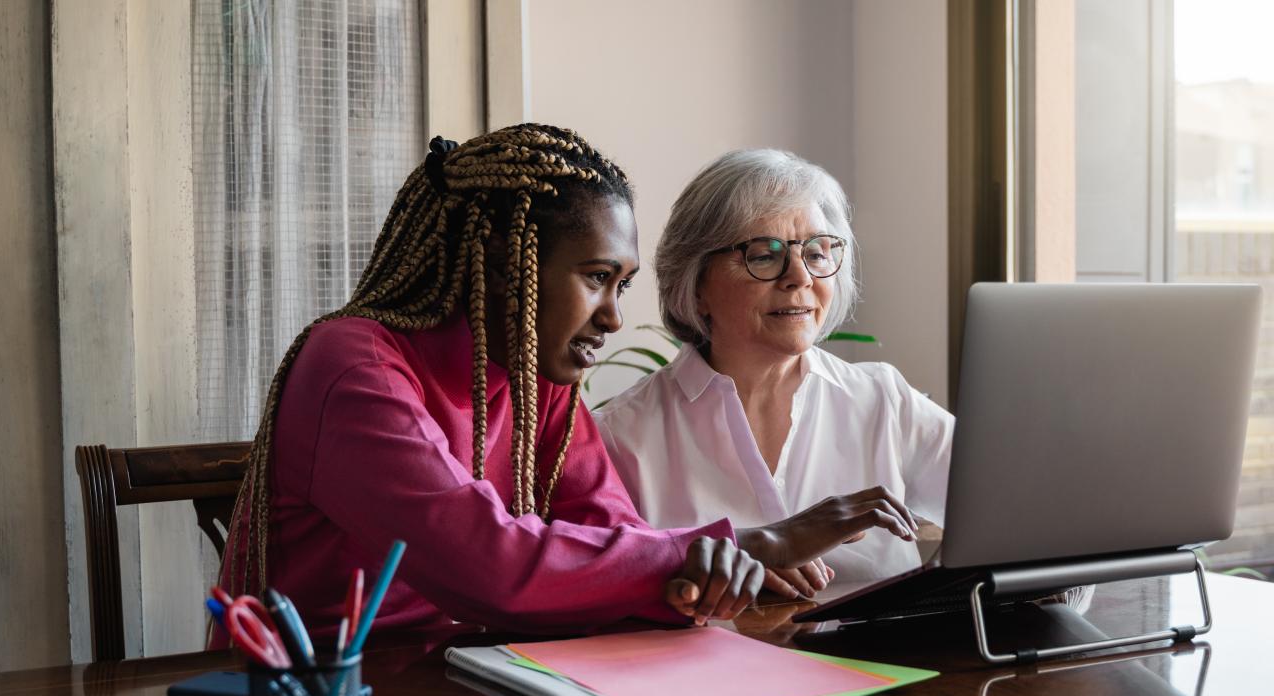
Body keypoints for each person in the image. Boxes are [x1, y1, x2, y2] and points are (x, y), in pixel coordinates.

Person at [217, 126, 913, 639]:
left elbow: (618, 534)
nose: (614, 316)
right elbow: (489, 566)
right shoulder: (350, 367)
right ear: (499, 265)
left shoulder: (537, 381)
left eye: (623, 285)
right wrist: (746, 546)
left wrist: (705, 567)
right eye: (595, 279)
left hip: (459, 684)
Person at [595, 149, 954, 592]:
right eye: (764, 255)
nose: (800, 277)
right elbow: (601, 583)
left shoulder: (884, 400)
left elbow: (1009, 512)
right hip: (706, 660)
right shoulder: (620, 436)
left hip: (882, 659)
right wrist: (735, 559)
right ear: (695, 282)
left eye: (818, 252)